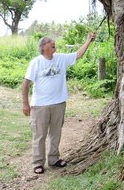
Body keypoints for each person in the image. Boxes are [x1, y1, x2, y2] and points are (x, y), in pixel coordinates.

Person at [21, 32, 96, 174]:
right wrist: (25, 103)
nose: (53, 42)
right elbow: (26, 84)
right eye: (50, 41)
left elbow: (78, 54)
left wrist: (88, 41)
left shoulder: (60, 58)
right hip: (40, 105)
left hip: (59, 103)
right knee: (39, 134)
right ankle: (37, 163)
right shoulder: (36, 62)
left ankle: (54, 159)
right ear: (43, 47)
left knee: (56, 133)